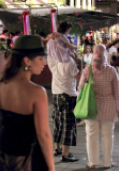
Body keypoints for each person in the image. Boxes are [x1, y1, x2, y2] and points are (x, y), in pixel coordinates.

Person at [0, 36, 53, 171]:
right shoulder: (37, 92)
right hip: (27, 160)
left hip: (2, 156)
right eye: (40, 58)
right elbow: (44, 135)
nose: (44, 63)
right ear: (27, 61)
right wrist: (52, 168)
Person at [78, 44, 119, 169]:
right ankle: (107, 162)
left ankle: (92, 162)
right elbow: (117, 90)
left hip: (90, 106)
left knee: (91, 134)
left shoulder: (88, 69)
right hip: (108, 104)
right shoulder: (111, 70)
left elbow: (80, 88)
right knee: (108, 134)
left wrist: (79, 104)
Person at [47, 29, 81, 162]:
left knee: (58, 122)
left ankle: (57, 148)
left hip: (56, 94)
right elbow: (78, 77)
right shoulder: (69, 63)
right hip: (68, 95)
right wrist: (79, 62)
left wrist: (52, 37)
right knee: (68, 125)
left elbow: (51, 43)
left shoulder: (52, 59)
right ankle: (66, 154)